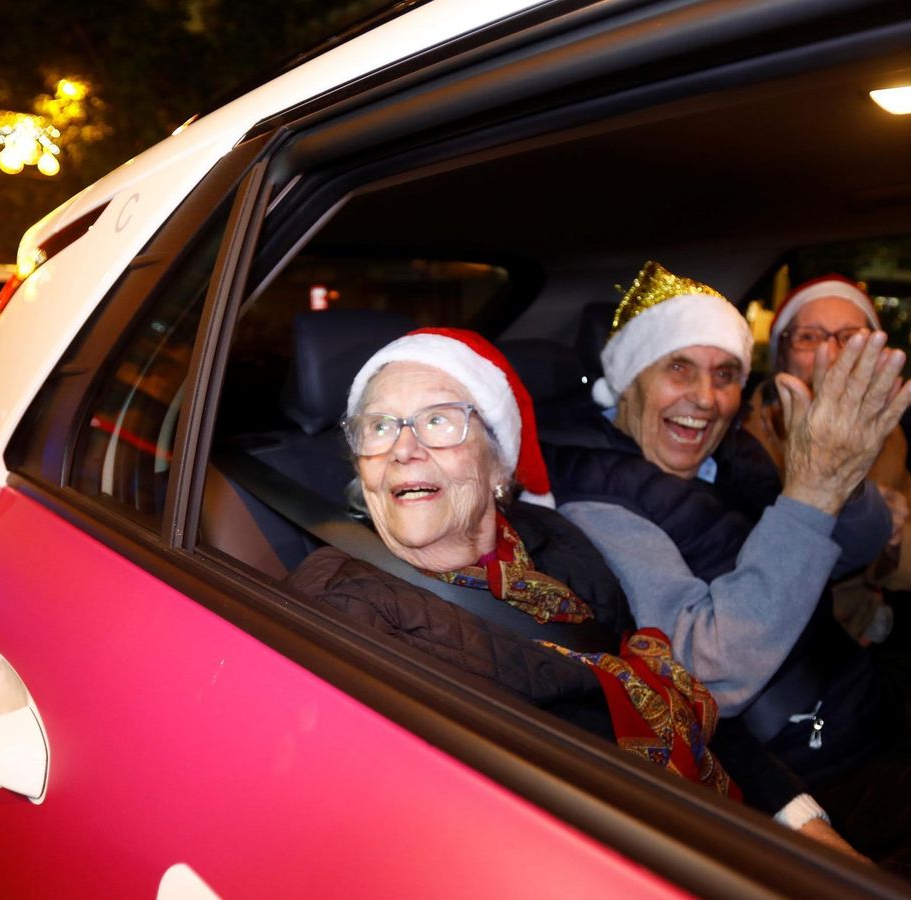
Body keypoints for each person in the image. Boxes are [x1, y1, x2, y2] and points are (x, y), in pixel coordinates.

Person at [544, 262, 911, 897]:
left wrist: (835, 478)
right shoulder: (599, 505)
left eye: (726, 374)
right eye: (679, 367)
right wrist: (814, 489)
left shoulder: (726, 459)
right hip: (810, 763)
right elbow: (702, 674)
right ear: (628, 379)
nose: (707, 398)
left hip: (858, 691)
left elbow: (857, 547)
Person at [281, 327, 863, 857]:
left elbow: (670, 689)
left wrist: (801, 823)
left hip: (711, 813)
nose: (404, 449)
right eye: (379, 427)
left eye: (438, 421)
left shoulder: (554, 540)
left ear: (497, 464)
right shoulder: (345, 609)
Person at [746, 274, 911, 644]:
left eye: (851, 339)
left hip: (846, 634)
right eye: (809, 337)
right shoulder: (740, 436)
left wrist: (888, 537)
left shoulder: (885, 438)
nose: (830, 355)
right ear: (783, 355)